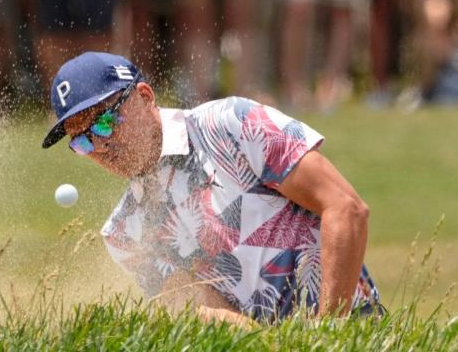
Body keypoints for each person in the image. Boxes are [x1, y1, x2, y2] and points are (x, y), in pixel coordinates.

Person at [40, 51, 381, 324]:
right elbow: (208, 313)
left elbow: (346, 208)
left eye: (104, 122)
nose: (100, 147)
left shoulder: (232, 122)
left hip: (352, 328)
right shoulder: (124, 234)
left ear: (144, 96)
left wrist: (329, 336)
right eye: (81, 141)